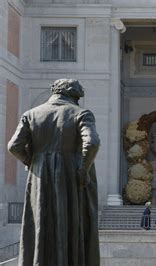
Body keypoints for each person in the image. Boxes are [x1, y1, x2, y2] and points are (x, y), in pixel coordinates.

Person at [8, 79, 100, 266]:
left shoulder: (31, 114)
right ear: (75, 96)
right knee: (73, 223)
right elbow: (92, 143)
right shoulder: (81, 113)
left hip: (40, 176)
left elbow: (13, 146)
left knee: (41, 221)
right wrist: (83, 169)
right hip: (71, 175)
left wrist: (32, 162)